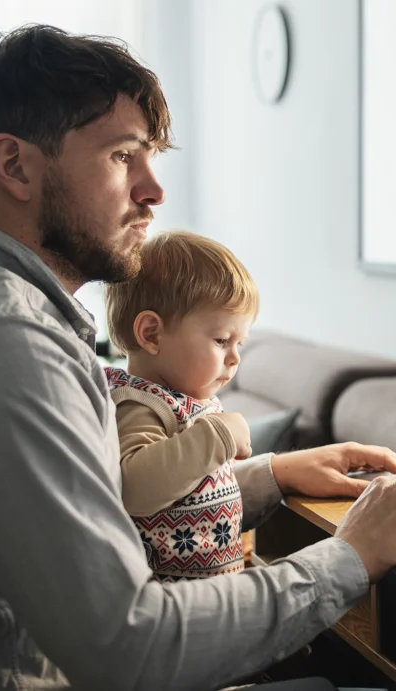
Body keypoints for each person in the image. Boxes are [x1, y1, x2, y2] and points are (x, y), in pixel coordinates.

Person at [0, 24, 396, 691]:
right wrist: (351, 556)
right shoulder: (1, 348)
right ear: (15, 166)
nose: (153, 191)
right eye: (123, 157)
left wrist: (274, 476)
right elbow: (130, 645)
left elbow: (104, 507)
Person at [103, 230, 261, 581]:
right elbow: (135, 489)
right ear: (152, 335)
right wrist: (219, 436)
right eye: (221, 340)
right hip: (174, 599)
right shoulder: (141, 404)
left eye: (240, 343)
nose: (234, 358)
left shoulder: (188, 398)